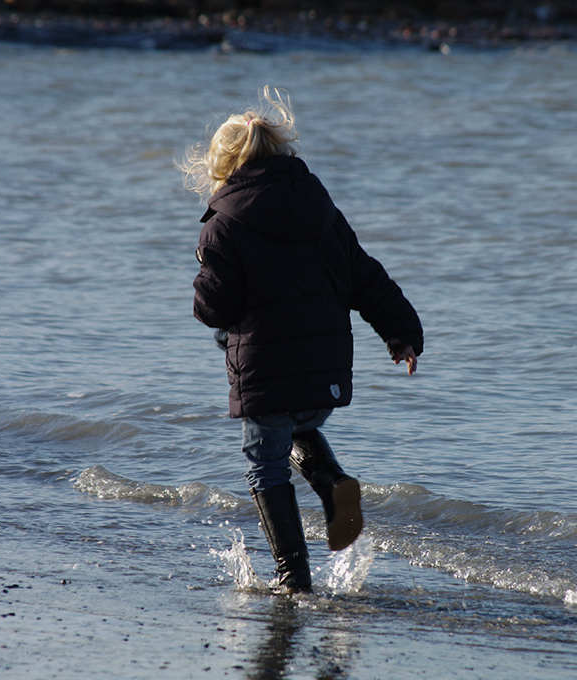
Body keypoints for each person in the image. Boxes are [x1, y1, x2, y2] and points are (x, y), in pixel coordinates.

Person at [180, 87, 423, 593]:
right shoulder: (325, 214)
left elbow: (213, 311)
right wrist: (403, 334)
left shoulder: (223, 228)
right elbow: (368, 279)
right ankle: (333, 484)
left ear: (222, 168)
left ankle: (292, 576)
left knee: (264, 464)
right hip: (322, 377)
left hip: (268, 376)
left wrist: (204, 277)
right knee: (293, 420)